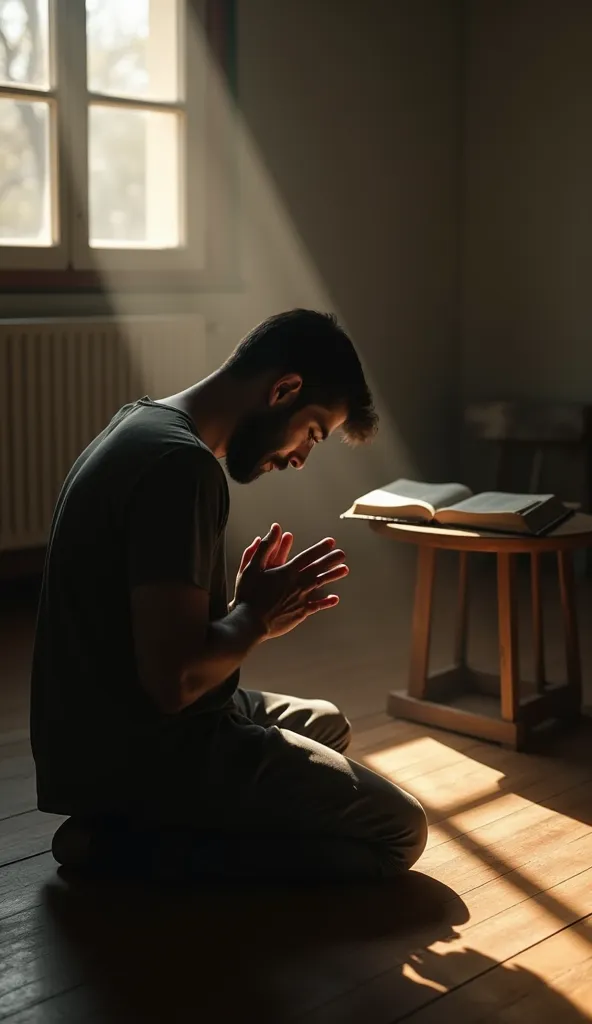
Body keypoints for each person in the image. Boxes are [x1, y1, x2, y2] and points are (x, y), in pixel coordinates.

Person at [31, 309, 427, 882]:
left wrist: (246, 611)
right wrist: (254, 617)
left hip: (91, 732)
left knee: (328, 724)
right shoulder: (181, 467)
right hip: (141, 749)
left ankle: (156, 819)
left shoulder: (141, 423)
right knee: (400, 833)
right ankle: (118, 844)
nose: (299, 457)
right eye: (312, 432)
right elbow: (175, 683)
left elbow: (155, 640)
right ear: (284, 389)